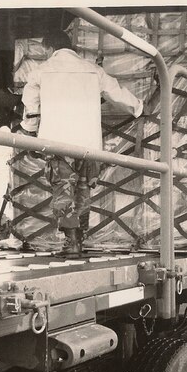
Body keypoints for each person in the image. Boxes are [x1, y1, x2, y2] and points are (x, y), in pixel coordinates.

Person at [20, 29, 144, 257]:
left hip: (58, 144)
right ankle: (80, 238)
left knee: (63, 191)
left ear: (50, 48)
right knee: (83, 191)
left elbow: (31, 107)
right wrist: (139, 108)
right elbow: (117, 93)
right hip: (89, 146)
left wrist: (29, 133)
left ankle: (72, 241)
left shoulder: (40, 71)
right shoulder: (93, 70)